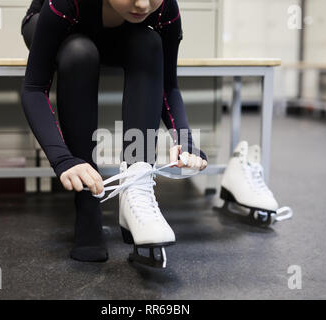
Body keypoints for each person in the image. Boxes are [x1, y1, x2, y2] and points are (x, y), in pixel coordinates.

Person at [20, 0, 208, 263]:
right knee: (80, 52)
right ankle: (87, 206)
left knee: (149, 43)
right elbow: (34, 88)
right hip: (57, 23)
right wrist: (63, 160)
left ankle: (137, 189)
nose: (143, 4)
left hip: (117, 32)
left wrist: (185, 139)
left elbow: (168, 86)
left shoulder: (163, 8)